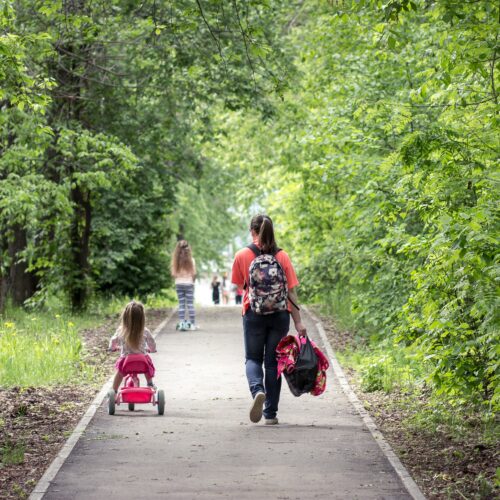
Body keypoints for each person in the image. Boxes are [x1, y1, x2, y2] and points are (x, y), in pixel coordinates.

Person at [231, 214, 306, 425]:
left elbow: (239, 285)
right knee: (273, 364)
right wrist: (298, 322)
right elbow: (291, 292)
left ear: (252, 231)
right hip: (280, 315)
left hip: (253, 313)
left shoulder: (242, 255)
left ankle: (257, 390)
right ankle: (270, 414)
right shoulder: (282, 257)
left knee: (253, 359)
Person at [109, 300, 157, 392]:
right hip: (141, 361)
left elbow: (113, 340)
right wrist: (152, 349)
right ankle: (150, 383)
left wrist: (112, 348)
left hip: (126, 361)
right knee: (147, 367)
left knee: (119, 373)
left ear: (125, 317)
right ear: (142, 318)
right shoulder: (145, 331)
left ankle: (114, 390)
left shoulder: (121, 330)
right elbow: (152, 342)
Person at [171, 240, 198, 330]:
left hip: (179, 284)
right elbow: (194, 274)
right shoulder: (192, 260)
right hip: (189, 284)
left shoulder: (175, 262)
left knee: (181, 304)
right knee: (190, 304)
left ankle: (182, 323)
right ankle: (193, 325)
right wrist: (192, 281)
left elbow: (173, 274)